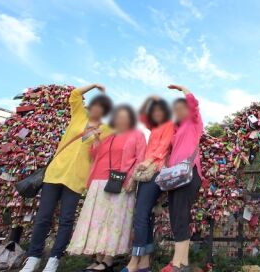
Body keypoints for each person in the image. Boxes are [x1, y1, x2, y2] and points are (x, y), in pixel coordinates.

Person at [20, 84, 113, 272]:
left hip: (77, 179)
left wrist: (96, 139)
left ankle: (54, 258)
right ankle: (33, 257)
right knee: (43, 217)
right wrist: (94, 85)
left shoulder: (107, 130)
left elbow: (102, 155)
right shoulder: (79, 115)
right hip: (55, 174)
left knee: (66, 220)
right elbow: (75, 94)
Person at [67, 105, 146, 271]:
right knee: (97, 221)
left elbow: (140, 158)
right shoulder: (107, 135)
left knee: (113, 221)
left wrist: (133, 178)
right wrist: (96, 140)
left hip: (121, 182)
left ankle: (108, 260)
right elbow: (96, 155)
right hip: (98, 181)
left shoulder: (136, 135)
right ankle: (98, 258)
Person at [123, 97, 175, 272]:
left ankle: (133, 261)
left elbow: (164, 146)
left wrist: (149, 160)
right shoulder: (154, 126)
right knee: (147, 216)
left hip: (155, 171)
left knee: (140, 215)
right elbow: (141, 116)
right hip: (148, 173)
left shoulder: (168, 124)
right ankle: (144, 263)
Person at [161, 85, 203, 272]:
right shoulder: (176, 131)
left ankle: (176, 264)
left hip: (189, 174)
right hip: (174, 178)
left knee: (179, 216)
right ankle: (183, 263)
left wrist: (183, 89)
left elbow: (193, 105)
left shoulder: (194, 122)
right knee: (177, 216)